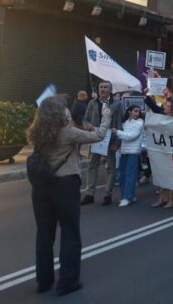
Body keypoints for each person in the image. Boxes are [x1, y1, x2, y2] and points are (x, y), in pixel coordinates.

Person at [28, 95, 111, 295]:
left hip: (41, 186)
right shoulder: (67, 132)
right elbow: (98, 136)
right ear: (59, 112)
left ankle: (44, 280)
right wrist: (106, 117)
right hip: (65, 185)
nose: (68, 110)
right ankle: (68, 281)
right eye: (64, 108)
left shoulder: (35, 132)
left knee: (44, 234)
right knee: (70, 233)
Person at [80, 80, 123, 206]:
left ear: (110, 90)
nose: (103, 89)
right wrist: (88, 126)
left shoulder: (117, 104)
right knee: (92, 166)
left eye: (106, 87)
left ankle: (108, 194)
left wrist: (117, 141)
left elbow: (119, 122)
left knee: (110, 167)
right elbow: (85, 119)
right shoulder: (92, 103)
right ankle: (89, 194)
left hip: (110, 139)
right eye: (101, 87)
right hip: (95, 139)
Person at [146, 93, 173, 208]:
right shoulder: (161, 117)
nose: (164, 107)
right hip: (163, 150)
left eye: (167, 106)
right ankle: (163, 198)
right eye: (165, 105)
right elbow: (153, 107)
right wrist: (148, 95)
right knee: (162, 173)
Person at [111, 105, 144, 207]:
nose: (137, 113)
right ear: (129, 111)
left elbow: (131, 136)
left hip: (133, 152)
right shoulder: (125, 123)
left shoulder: (139, 123)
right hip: (124, 151)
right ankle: (129, 195)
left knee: (130, 175)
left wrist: (117, 132)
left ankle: (127, 197)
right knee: (123, 175)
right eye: (135, 111)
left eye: (138, 111)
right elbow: (123, 137)